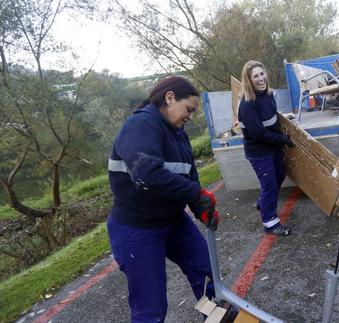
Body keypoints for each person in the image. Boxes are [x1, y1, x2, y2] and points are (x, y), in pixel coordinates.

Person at [107, 76, 220, 322]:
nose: (190, 116)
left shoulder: (178, 131)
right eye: (188, 109)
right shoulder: (141, 126)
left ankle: (214, 317)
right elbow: (147, 174)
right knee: (151, 307)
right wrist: (194, 193)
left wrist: (197, 203)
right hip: (137, 227)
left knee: (207, 275)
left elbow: (189, 172)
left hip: (173, 220)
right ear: (169, 97)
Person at [238, 60, 295, 236]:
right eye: (256, 76)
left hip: (272, 146)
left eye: (262, 74)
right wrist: (282, 139)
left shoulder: (268, 95)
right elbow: (259, 134)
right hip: (259, 151)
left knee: (279, 175)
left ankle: (263, 202)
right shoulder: (248, 105)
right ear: (249, 80)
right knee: (269, 184)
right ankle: (270, 223)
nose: (261, 78)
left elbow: (272, 121)